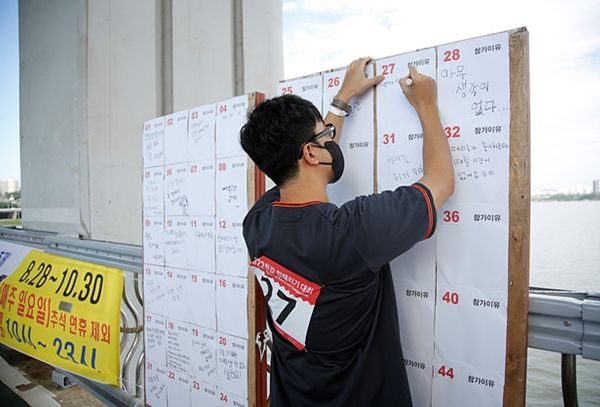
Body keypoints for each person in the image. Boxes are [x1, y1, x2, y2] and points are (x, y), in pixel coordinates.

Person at [240, 57, 454, 406]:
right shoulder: (351, 231)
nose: (331, 138)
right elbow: (441, 182)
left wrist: (341, 101)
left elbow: (299, 158)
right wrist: (427, 105)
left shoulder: (257, 222)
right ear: (311, 153)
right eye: (324, 135)